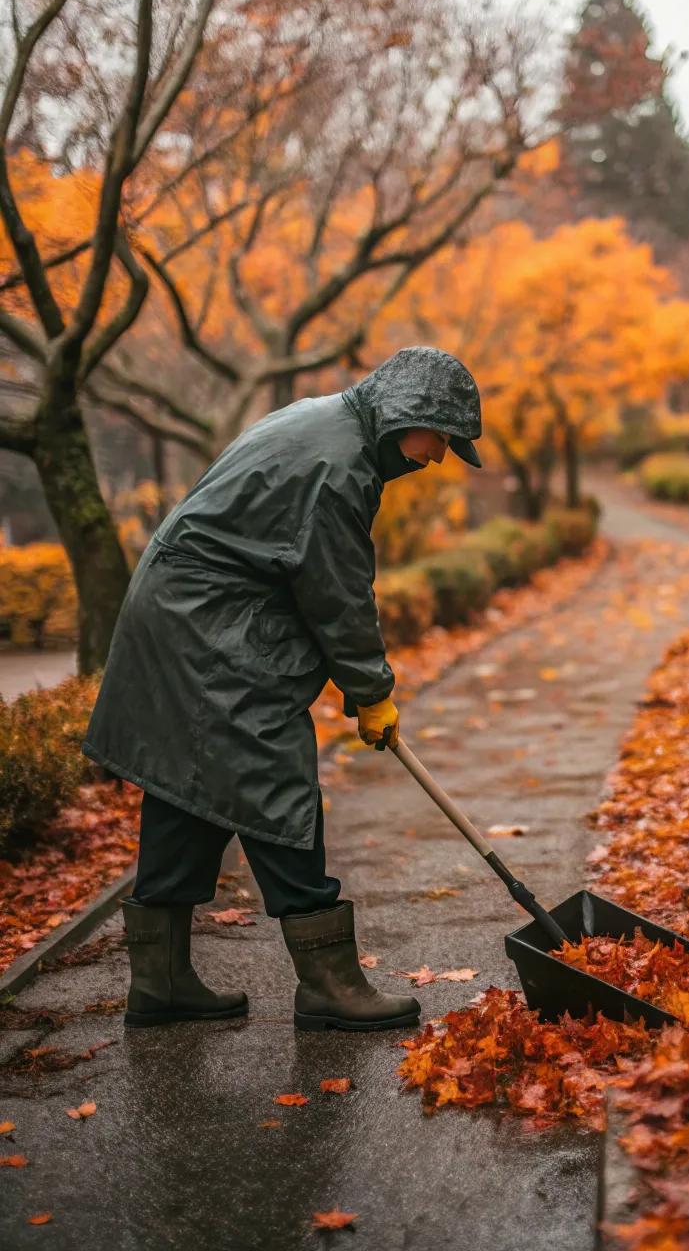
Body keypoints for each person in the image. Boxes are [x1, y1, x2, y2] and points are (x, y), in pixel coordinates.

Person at [82, 347, 482, 1033]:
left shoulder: (326, 422)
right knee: (276, 780)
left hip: (187, 615)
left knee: (189, 787)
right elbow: (338, 595)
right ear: (407, 417)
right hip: (208, 630)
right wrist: (371, 691)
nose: (439, 456)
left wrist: (362, 687)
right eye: (440, 437)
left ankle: (162, 981)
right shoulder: (338, 467)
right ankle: (328, 983)